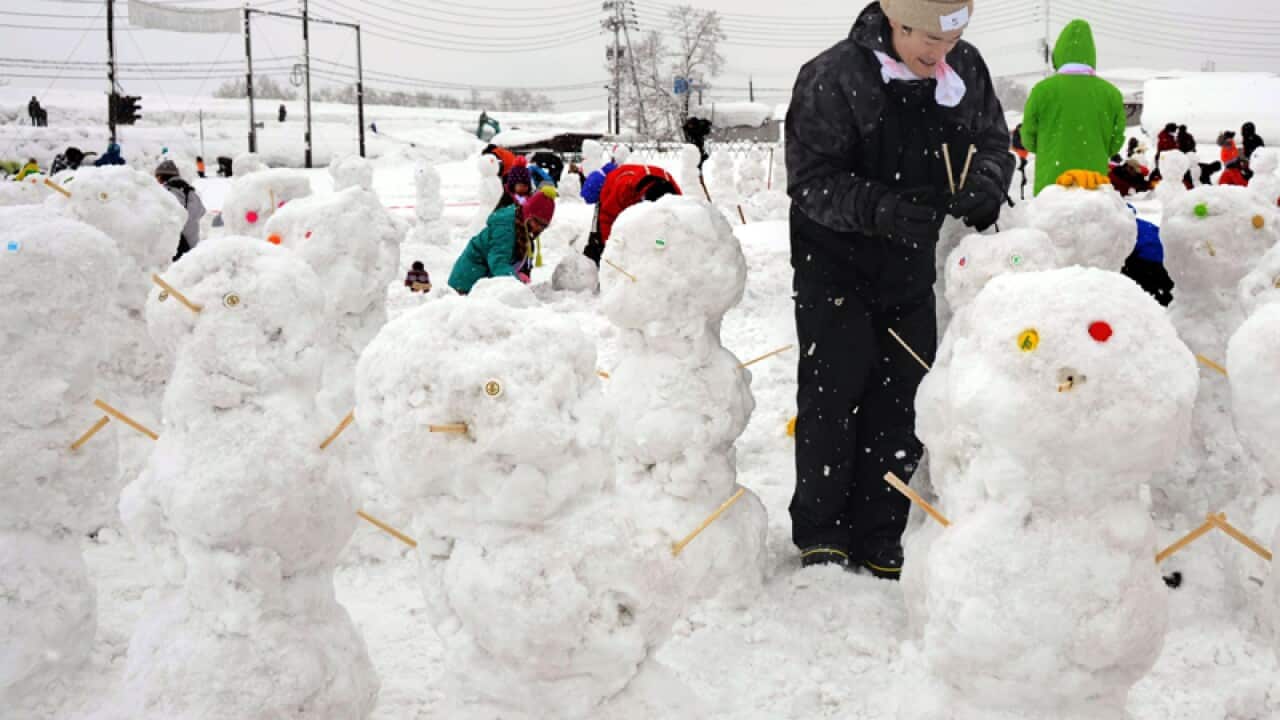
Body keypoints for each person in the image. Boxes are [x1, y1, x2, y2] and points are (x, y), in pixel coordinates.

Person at [785, 0, 1013, 577]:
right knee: (833, 393)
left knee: (902, 394)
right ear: (896, 22)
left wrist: (986, 183)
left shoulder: (965, 70)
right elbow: (810, 182)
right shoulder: (833, 76)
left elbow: (993, 142)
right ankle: (822, 529)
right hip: (833, 260)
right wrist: (880, 208)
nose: (940, 53)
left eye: (951, 40)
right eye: (928, 39)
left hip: (909, 263)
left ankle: (881, 528)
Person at [1021, 20, 1125, 196]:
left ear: (1060, 53)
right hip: (1094, 183)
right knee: (1092, 214)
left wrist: (1049, 148)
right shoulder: (1111, 93)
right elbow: (1116, 142)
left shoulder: (1043, 90)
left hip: (1052, 183)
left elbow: (1028, 137)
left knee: (1052, 213)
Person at [449, 186, 556, 294]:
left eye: (543, 225)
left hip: (482, 280)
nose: (538, 228)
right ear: (528, 214)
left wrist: (521, 274)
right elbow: (498, 263)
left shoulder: (523, 229)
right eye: (536, 221)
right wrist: (516, 281)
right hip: (466, 284)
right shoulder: (506, 229)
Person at [583, 164, 682, 264]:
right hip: (650, 182)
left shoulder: (673, 194)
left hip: (644, 186)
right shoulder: (621, 187)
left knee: (660, 235)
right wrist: (610, 246)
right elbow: (607, 217)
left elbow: (607, 219)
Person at [1120, 211, 1174, 307]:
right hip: (1165, 256)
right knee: (1168, 288)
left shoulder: (1120, 227)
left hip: (1147, 258)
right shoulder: (1138, 222)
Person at [155, 160, 205, 261]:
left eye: (157, 177)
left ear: (163, 176)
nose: (157, 180)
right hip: (192, 244)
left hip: (177, 246)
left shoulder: (167, 192)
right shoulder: (189, 191)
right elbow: (202, 211)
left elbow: (166, 217)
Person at [1011, 123, 1030, 200]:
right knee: (1020, 176)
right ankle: (1021, 195)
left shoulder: (1022, 134)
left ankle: (1022, 194)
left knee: (1022, 176)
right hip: (1019, 157)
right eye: (1020, 129)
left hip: (1023, 157)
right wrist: (1025, 145)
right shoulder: (1015, 134)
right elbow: (1016, 144)